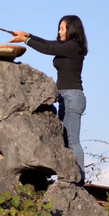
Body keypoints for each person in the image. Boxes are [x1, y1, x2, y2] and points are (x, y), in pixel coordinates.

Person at [8, 15, 88, 181]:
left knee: (72, 140)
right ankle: (72, 177)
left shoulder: (73, 47)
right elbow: (46, 42)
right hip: (66, 98)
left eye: (62, 28)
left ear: (72, 30)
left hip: (72, 97)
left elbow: (47, 49)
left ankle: (79, 179)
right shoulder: (66, 46)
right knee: (66, 140)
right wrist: (26, 35)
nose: (59, 32)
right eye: (59, 28)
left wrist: (26, 41)